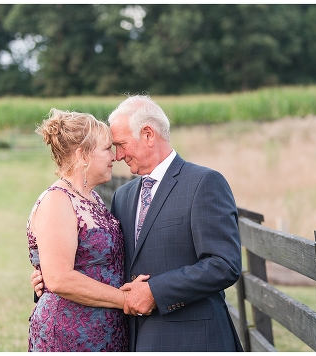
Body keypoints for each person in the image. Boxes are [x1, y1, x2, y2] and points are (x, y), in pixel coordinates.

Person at [32, 95, 243, 351]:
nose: (118, 156)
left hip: (193, 337)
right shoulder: (124, 195)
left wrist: (155, 291)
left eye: (120, 144)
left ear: (148, 135)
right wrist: (49, 280)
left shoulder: (204, 183)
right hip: (131, 337)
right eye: (111, 147)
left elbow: (224, 264)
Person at [27, 109, 147, 351]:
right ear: (83, 155)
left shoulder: (92, 198)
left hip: (105, 329)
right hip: (70, 334)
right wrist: (125, 299)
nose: (114, 157)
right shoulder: (58, 201)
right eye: (106, 149)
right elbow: (60, 279)